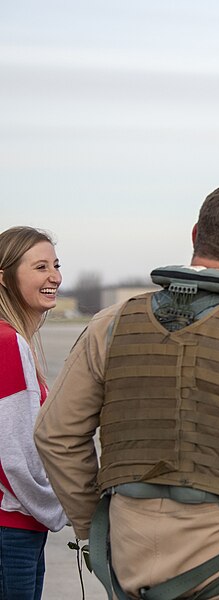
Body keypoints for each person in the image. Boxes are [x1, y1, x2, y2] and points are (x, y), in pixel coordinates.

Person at [34, 186, 219, 600]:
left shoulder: (111, 324)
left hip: (129, 559)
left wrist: (98, 528)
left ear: (196, 234)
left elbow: (55, 435)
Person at [0, 226, 67, 600]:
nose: (54, 276)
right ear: (5, 278)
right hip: (11, 531)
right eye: (40, 267)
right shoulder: (7, 342)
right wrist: (56, 508)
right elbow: (14, 456)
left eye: (55, 265)